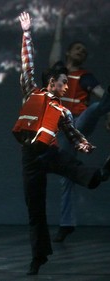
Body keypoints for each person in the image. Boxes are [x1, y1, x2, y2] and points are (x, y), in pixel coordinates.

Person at [13, 12, 110, 275]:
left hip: (49, 151)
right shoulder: (32, 90)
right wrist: (26, 33)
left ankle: (100, 174)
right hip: (30, 156)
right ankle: (38, 257)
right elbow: (28, 64)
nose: (66, 87)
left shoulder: (62, 111)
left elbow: (72, 134)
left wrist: (85, 145)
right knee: (35, 209)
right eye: (63, 82)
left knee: (70, 165)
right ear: (51, 82)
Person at [48, 8, 110, 243]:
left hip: (79, 124)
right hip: (62, 129)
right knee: (66, 177)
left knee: (95, 107)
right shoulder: (59, 72)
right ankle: (66, 224)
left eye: (84, 52)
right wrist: (60, 20)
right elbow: (54, 50)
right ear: (69, 53)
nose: (82, 53)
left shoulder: (86, 76)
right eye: (78, 50)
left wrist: (107, 112)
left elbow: (100, 93)